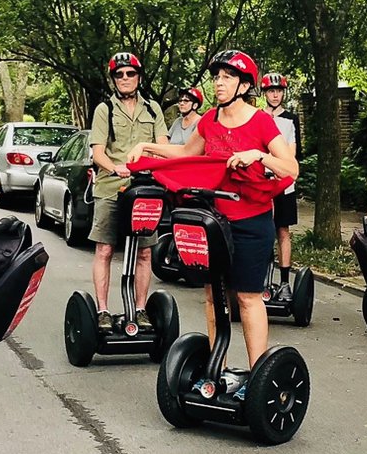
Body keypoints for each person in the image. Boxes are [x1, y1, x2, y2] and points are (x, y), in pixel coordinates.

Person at [129, 50, 299, 373]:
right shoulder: (210, 120)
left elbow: (291, 168)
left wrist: (257, 156)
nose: (219, 83)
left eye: (227, 77)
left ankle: (257, 376)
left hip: (252, 222)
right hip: (216, 225)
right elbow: (183, 153)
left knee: (248, 299)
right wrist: (147, 147)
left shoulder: (261, 121)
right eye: (216, 77)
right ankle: (215, 370)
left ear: (244, 84)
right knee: (213, 297)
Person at [88, 52, 169, 332]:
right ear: (114, 79)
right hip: (111, 187)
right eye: (119, 74)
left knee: (145, 253)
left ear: (139, 77)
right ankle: (102, 310)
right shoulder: (104, 110)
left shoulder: (153, 110)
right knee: (105, 249)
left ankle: (141, 308)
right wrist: (116, 168)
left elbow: (163, 146)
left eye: (130, 73)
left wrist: (152, 163)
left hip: (145, 189)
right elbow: (98, 153)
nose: (125, 78)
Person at [261, 72, 302, 301]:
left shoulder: (290, 119)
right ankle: (261, 279)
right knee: (262, 230)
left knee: (282, 231)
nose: (275, 95)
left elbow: (293, 150)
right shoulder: (258, 116)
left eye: (278, 91)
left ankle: (285, 282)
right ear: (265, 93)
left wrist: (282, 166)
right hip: (260, 182)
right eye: (271, 91)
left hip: (283, 182)